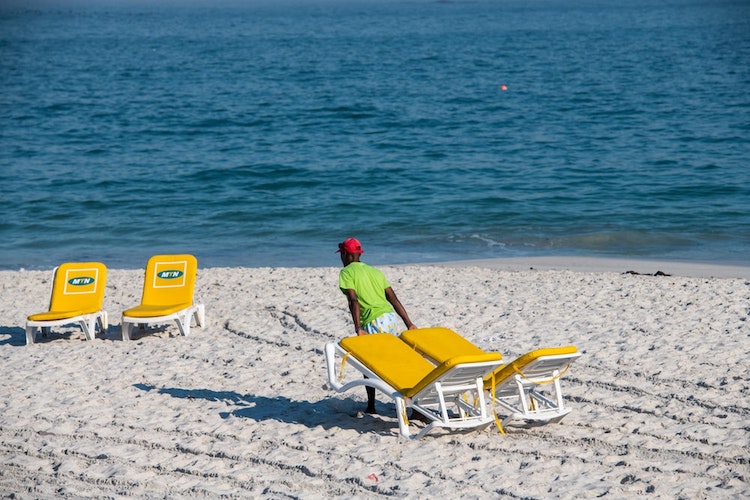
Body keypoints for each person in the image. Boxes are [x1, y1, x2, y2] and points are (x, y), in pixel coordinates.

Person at [337, 237, 418, 414]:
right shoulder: (375, 272)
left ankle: (372, 406)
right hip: (390, 318)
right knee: (397, 362)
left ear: (346, 254)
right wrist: (409, 323)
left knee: (367, 365)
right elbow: (393, 298)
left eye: (341, 255)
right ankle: (415, 406)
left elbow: (353, 300)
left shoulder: (347, 273)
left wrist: (358, 327)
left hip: (374, 321)